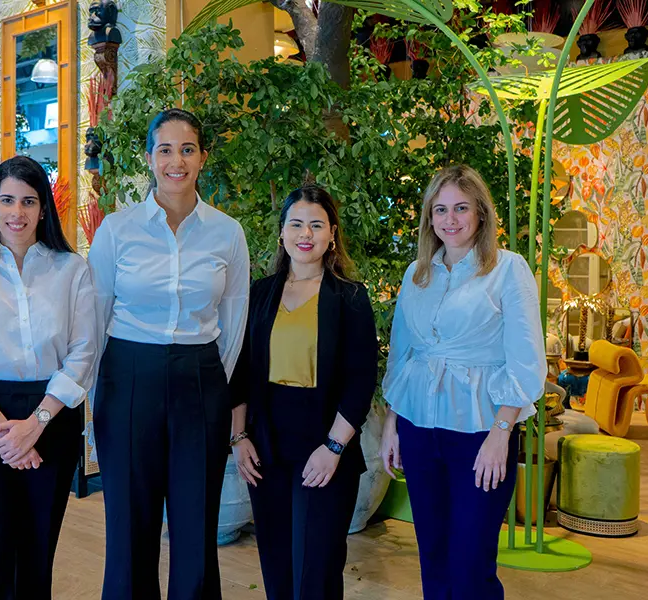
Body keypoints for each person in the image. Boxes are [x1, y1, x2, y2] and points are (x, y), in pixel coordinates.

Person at [87, 108, 250, 600]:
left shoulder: (228, 233)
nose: (175, 160)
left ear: (202, 157)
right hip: (127, 377)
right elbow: (94, 321)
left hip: (199, 379)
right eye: (165, 149)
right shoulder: (117, 230)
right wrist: (93, 404)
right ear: (149, 157)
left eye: (187, 149)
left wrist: (207, 380)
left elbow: (234, 320)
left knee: (196, 518)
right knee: (129, 519)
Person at [378, 165, 547, 599]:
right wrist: (391, 425)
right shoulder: (417, 274)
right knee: (433, 556)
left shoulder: (508, 269)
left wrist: (501, 433)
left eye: (460, 208)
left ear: (481, 214)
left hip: (480, 431)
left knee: (470, 562)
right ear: (428, 217)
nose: (449, 220)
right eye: (440, 210)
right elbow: (402, 355)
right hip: (418, 429)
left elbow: (526, 361)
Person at [0, 156, 97, 599]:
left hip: (52, 417)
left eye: (29, 201)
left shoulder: (72, 270)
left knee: (36, 554)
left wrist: (36, 425)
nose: (17, 212)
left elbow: (84, 353)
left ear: (44, 209)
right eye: (7, 200)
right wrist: (8, 435)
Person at [229, 185, 378, 600]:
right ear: (282, 233)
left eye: (316, 224)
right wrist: (239, 438)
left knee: (316, 566)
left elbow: (360, 380)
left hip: (325, 442)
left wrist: (333, 447)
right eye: (295, 223)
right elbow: (239, 373)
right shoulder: (259, 294)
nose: (305, 233)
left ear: (332, 233)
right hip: (267, 444)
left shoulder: (349, 298)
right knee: (277, 563)